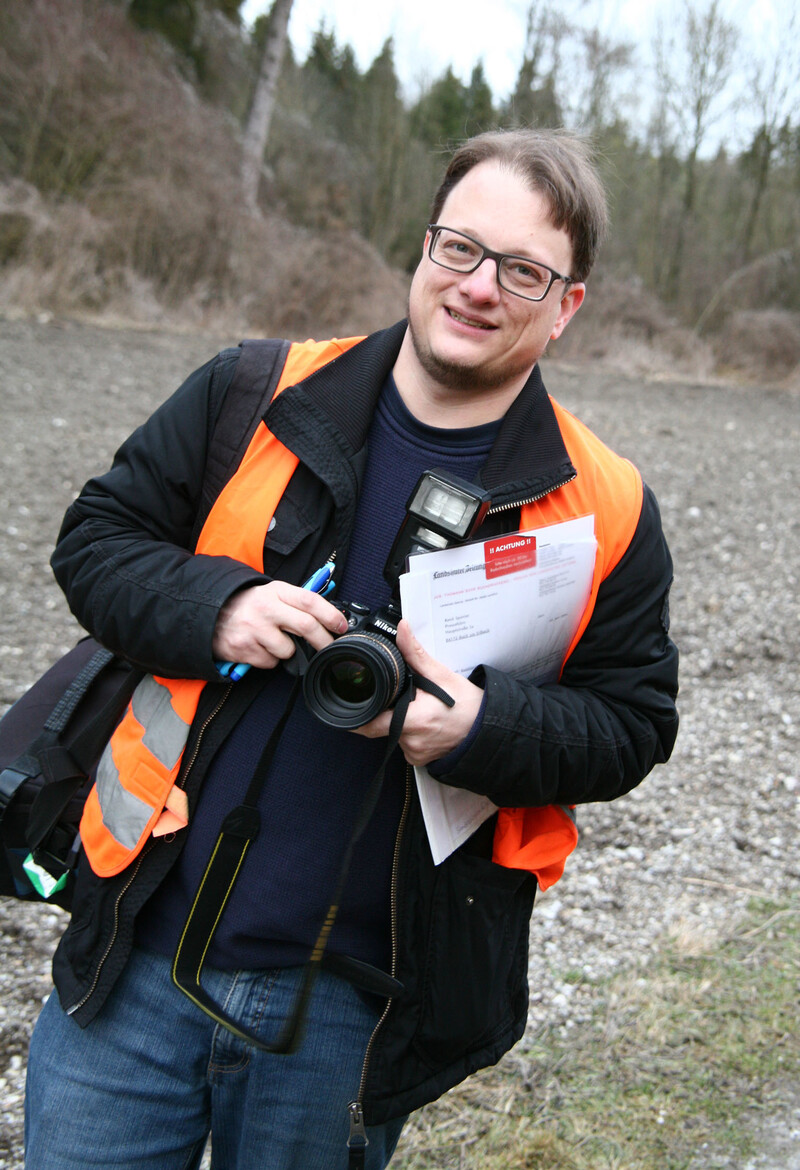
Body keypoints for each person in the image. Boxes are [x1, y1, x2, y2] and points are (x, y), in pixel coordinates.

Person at [25, 129, 679, 1170]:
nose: (476, 287)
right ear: (422, 248)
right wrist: (221, 606)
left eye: (522, 271)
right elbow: (96, 541)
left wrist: (477, 727)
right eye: (460, 249)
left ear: (566, 306)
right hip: (136, 951)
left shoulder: (602, 508)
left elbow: (631, 724)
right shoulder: (254, 394)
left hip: (351, 1010)